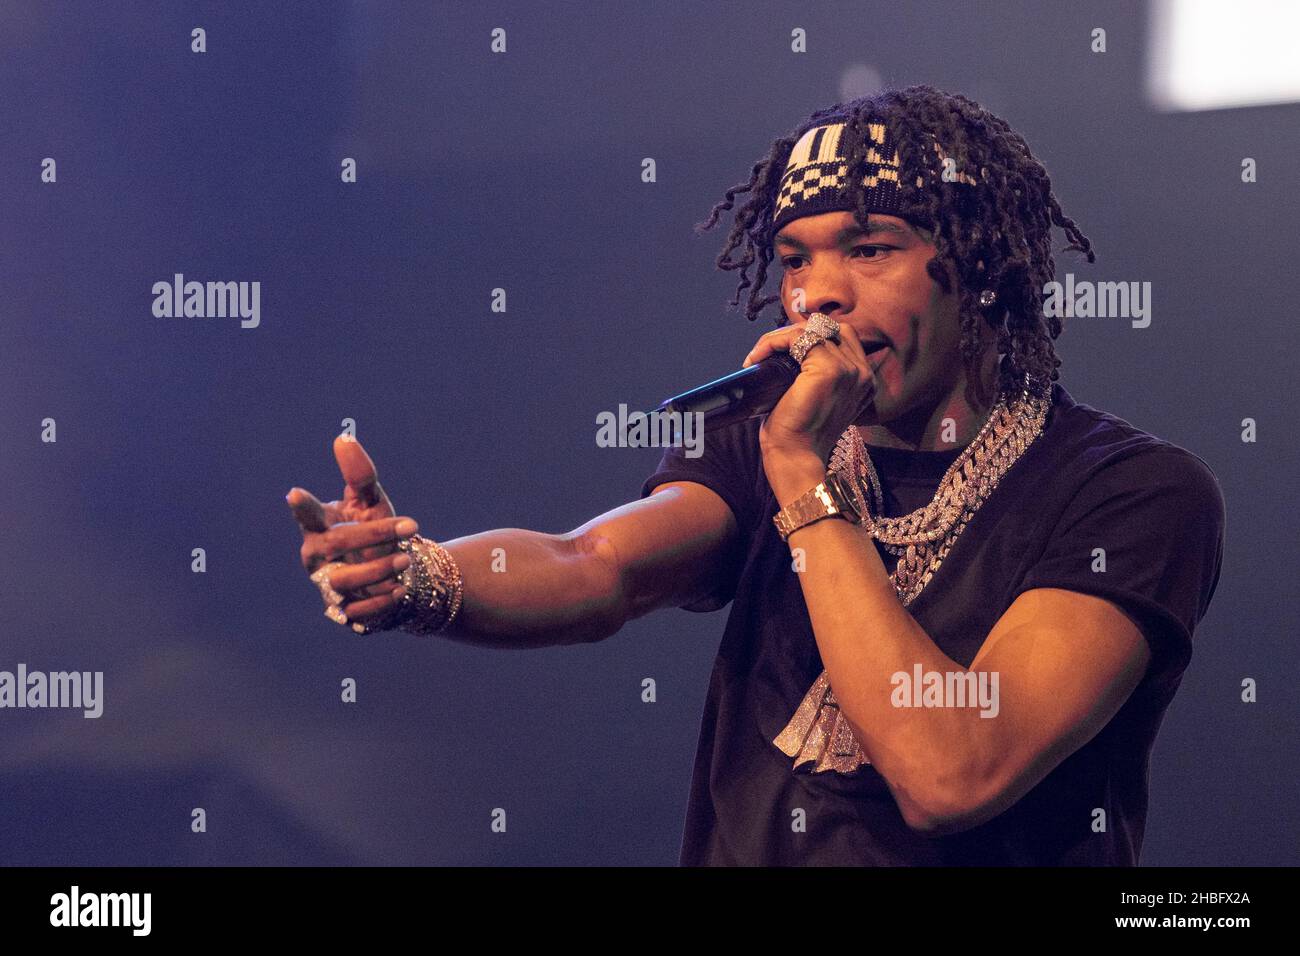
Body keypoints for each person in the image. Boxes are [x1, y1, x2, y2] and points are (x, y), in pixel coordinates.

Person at [287, 85, 1226, 866]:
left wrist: (800, 475)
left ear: (977, 269)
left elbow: (954, 773)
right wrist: (422, 579)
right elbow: (594, 569)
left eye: (869, 248)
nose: (819, 293)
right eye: (795, 260)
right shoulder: (767, 443)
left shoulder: (1130, 493)